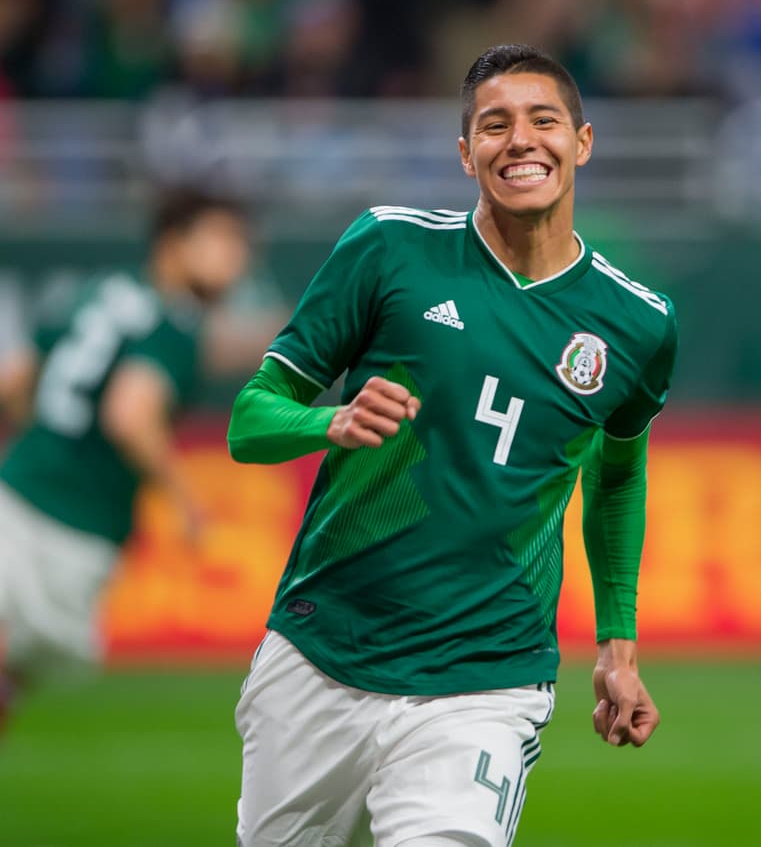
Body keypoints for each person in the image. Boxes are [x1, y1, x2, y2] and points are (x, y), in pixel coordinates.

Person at [226, 44, 678, 847]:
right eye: (494, 125)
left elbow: (616, 477)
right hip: (325, 649)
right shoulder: (390, 248)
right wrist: (328, 421)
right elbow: (250, 418)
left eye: (543, 120)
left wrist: (618, 642)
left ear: (582, 141)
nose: (521, 139)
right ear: (467, 154)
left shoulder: (636, 323)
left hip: (488, 675)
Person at [0, 189, 252, 727]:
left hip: (16, 489)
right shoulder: (173, 325)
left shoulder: (99, 292)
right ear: (174, 244)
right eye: (222, 239)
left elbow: (16, 379)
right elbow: (130, 416)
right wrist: (184, 500)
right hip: (71, 524)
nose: (236, 257)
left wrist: (42, 442)